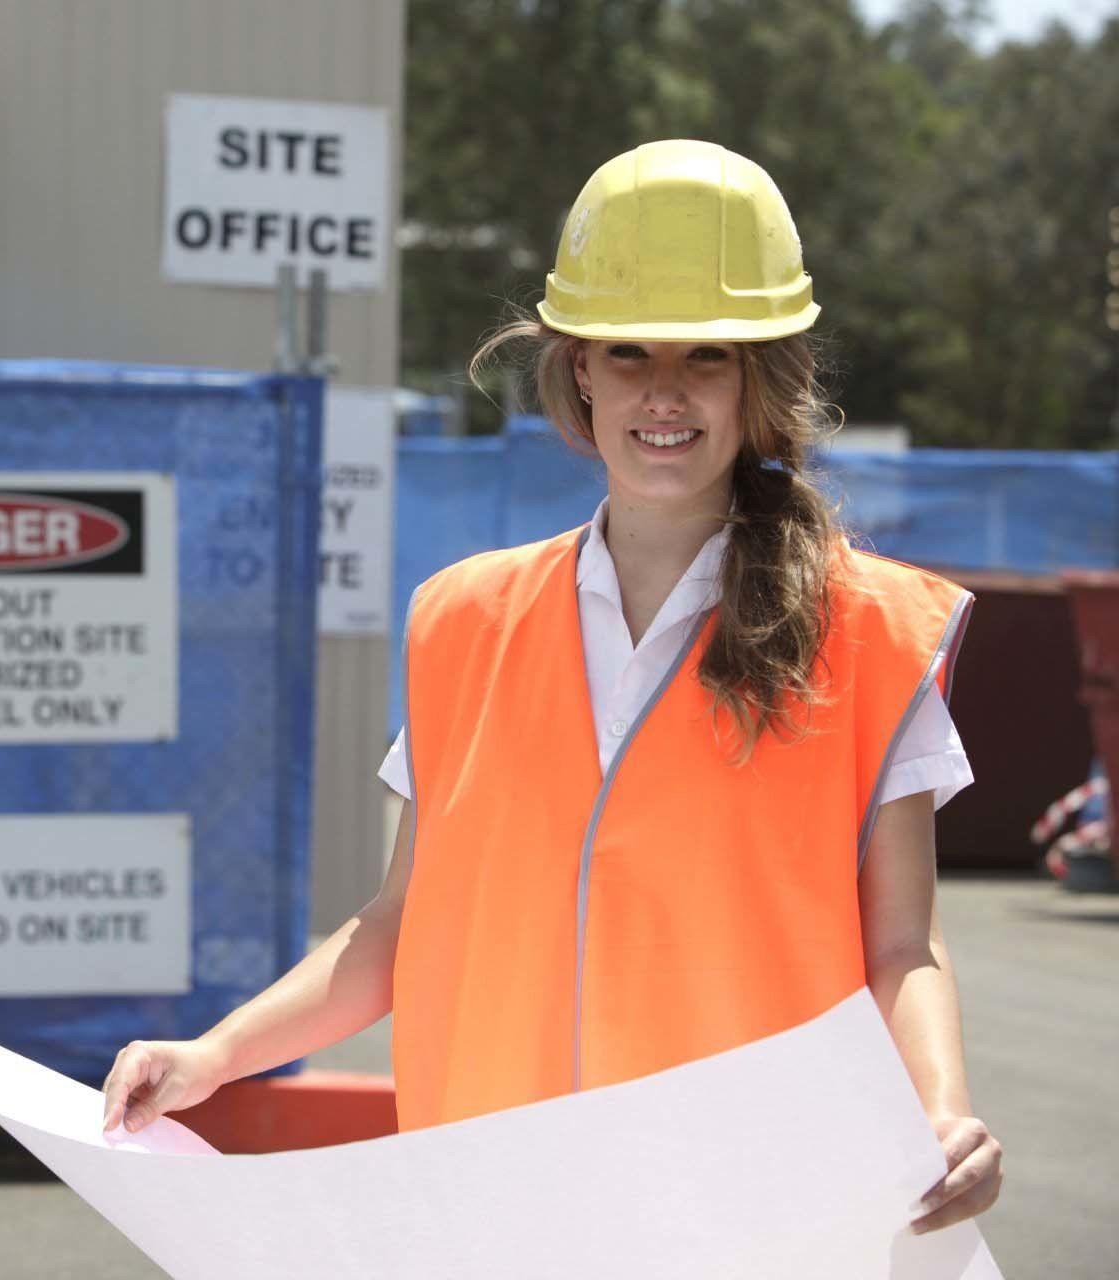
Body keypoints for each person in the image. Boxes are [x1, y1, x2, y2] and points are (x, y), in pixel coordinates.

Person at [100, 140, 1003, 1236]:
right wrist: (214, 1054)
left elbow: (903, 944)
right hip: (498, 1213)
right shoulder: (461, 623)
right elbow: (397, 924)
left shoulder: (866, 633)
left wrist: (944, 1110)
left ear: (758, 376)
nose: (664, 393)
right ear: (579, 366)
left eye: (708, 355)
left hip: (754, 1224)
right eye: (629, 352)